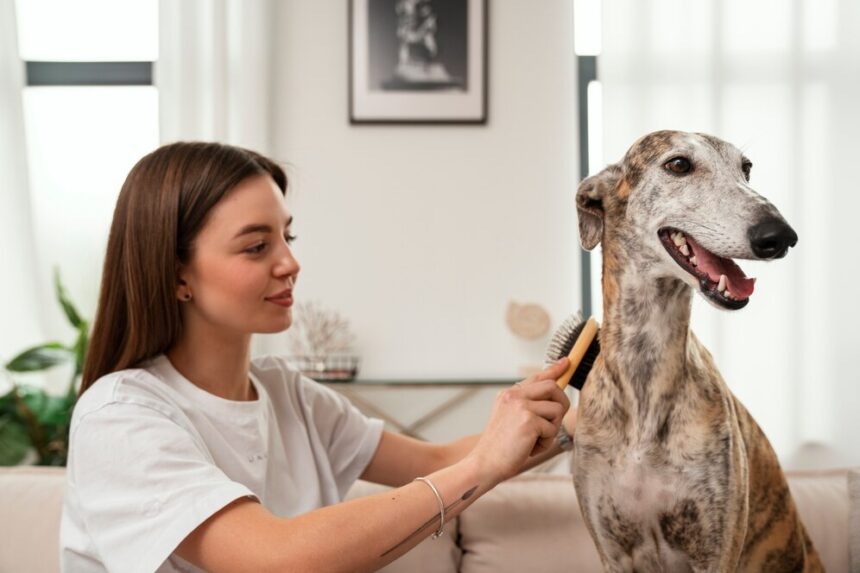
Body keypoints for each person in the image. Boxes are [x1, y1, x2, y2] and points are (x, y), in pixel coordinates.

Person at [60, 141, 576, 573]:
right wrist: (483, 466)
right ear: (178, 276)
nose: (290, 262)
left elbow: (436, 462)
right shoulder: (121, 418)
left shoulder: (286, 394)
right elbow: (276, 559)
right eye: (256, 247)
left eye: (287, 237)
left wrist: (588, 417)